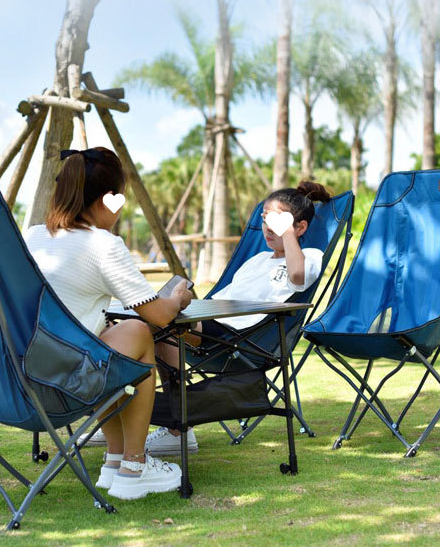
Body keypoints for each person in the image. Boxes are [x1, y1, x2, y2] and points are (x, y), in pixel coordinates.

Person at [23, 146, 193, 500]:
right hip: (68, 378)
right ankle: (134, 466)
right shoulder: (103, 245)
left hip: (25, 370)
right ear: (106, 199)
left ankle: (115, 460)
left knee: (107, 335)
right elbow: (159, 316)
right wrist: (178, 298)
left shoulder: (32, 236)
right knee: (138, 333)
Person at [146, 181, 331, 455]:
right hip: (214, 324)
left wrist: (288, 234)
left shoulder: (309, 257)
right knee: (150, 324)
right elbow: (221, 300)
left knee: (159, 324)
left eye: (277, 221)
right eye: (265, 219)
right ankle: (151, 420)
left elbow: (297, 277)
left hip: (243, 338)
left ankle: (165, 426)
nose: (268, 227)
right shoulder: (256, 261)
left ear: (300, 228)